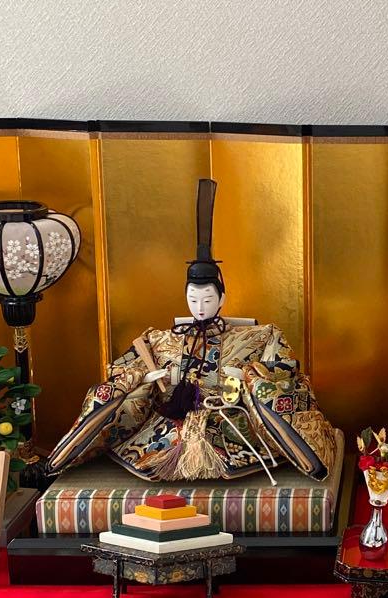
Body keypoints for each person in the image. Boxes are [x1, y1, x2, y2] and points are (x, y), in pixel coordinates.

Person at [48, 179, 336, 482]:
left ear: (222, 299)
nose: (200, 307)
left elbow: (285, 369)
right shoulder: (160, 339)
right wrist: (144, 377)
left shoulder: (258, 336)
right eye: (193, 299)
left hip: (228, 419)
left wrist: (249, 375)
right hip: (170, 422)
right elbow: (121, 370)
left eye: (208, 299)